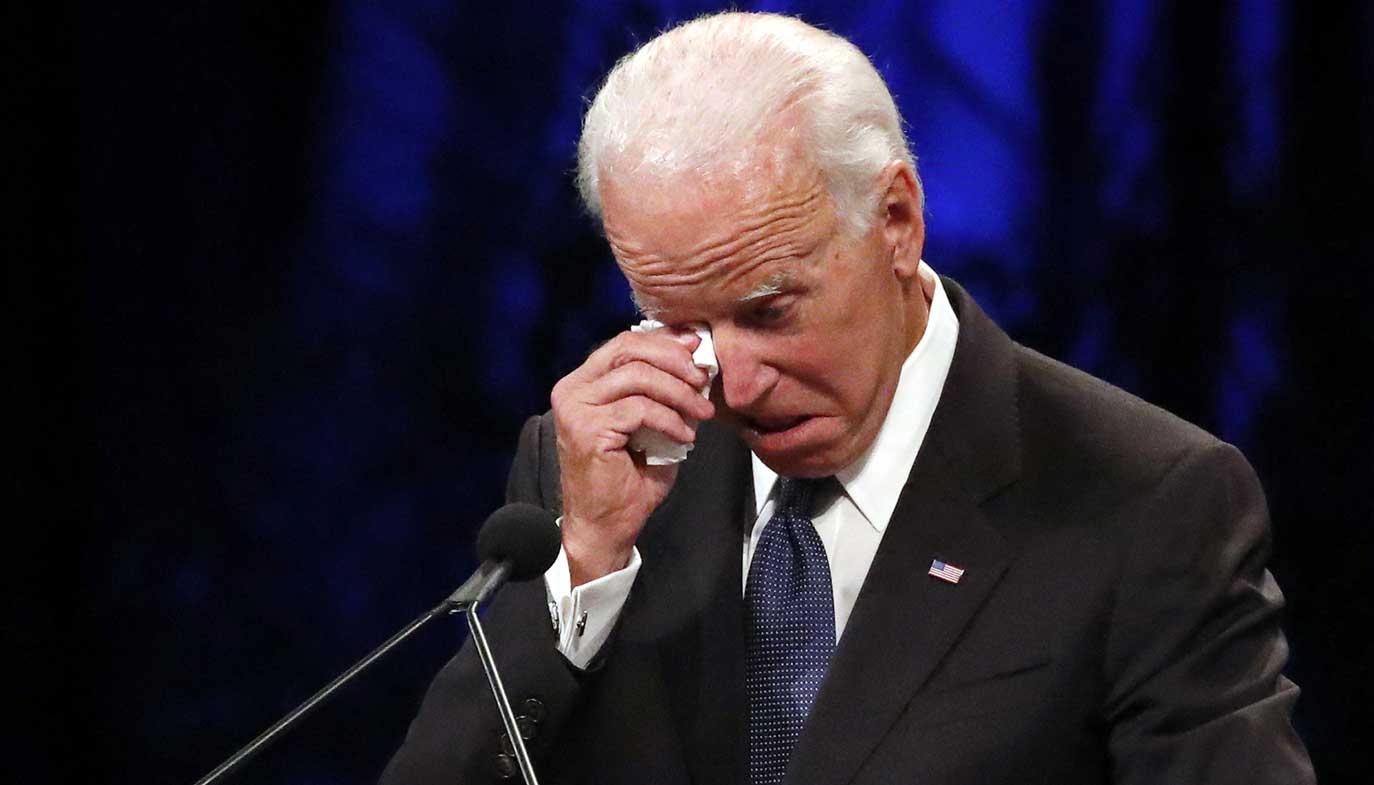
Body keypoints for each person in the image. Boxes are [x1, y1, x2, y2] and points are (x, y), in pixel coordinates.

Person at [381, 12, 1314, 785]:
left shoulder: (1148, 501)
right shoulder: (593, 466)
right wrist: (582, 563)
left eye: (769, 310)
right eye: (678, 323)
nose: (732, 386)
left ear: (896, 221)